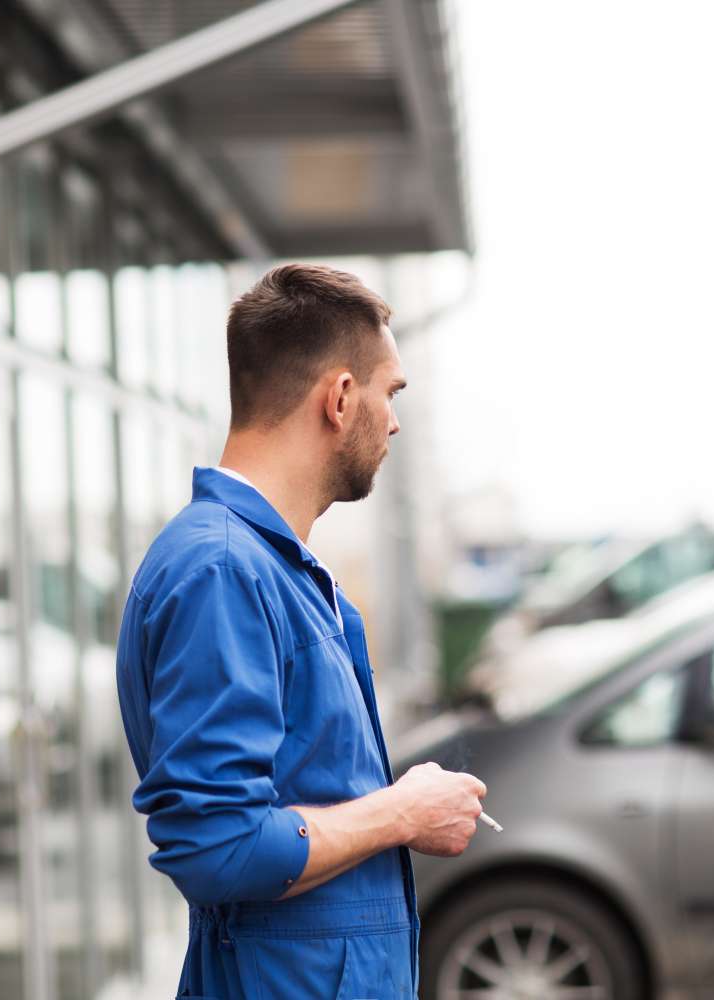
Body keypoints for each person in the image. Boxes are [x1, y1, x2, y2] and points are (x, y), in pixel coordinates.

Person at [115, 263, 488, 998]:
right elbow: (220, 846)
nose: (395, 420)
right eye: (390, 392)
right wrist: (402, 811)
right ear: (341, 398)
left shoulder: (266, 566)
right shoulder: (224, 571)